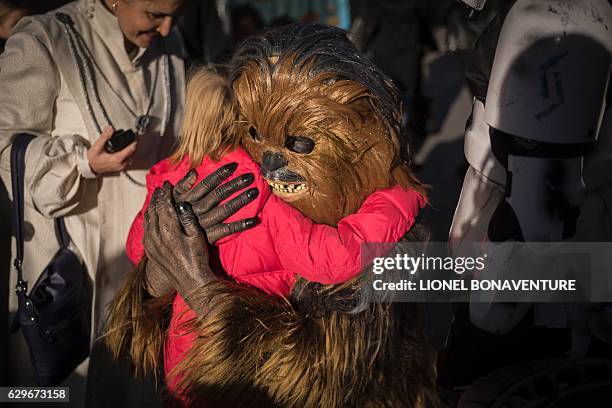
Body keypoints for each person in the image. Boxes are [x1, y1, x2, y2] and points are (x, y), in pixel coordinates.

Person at [107, 23, 438, 407]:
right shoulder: (234, 181)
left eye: (299, 141)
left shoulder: (365, 221)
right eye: (255, 133)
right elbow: (136, 330)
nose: (268, 160)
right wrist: (160, 268)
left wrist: (204, 292)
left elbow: (327, 377)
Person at [0, 0, 185, 403]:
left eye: (176, 15)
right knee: (56, 391)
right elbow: (4, 146)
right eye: (155, 14)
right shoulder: (45, 38)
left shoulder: (170, 47)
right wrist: (82, 163)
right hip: (66, 276)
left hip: (145, 279)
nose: (168, 28)